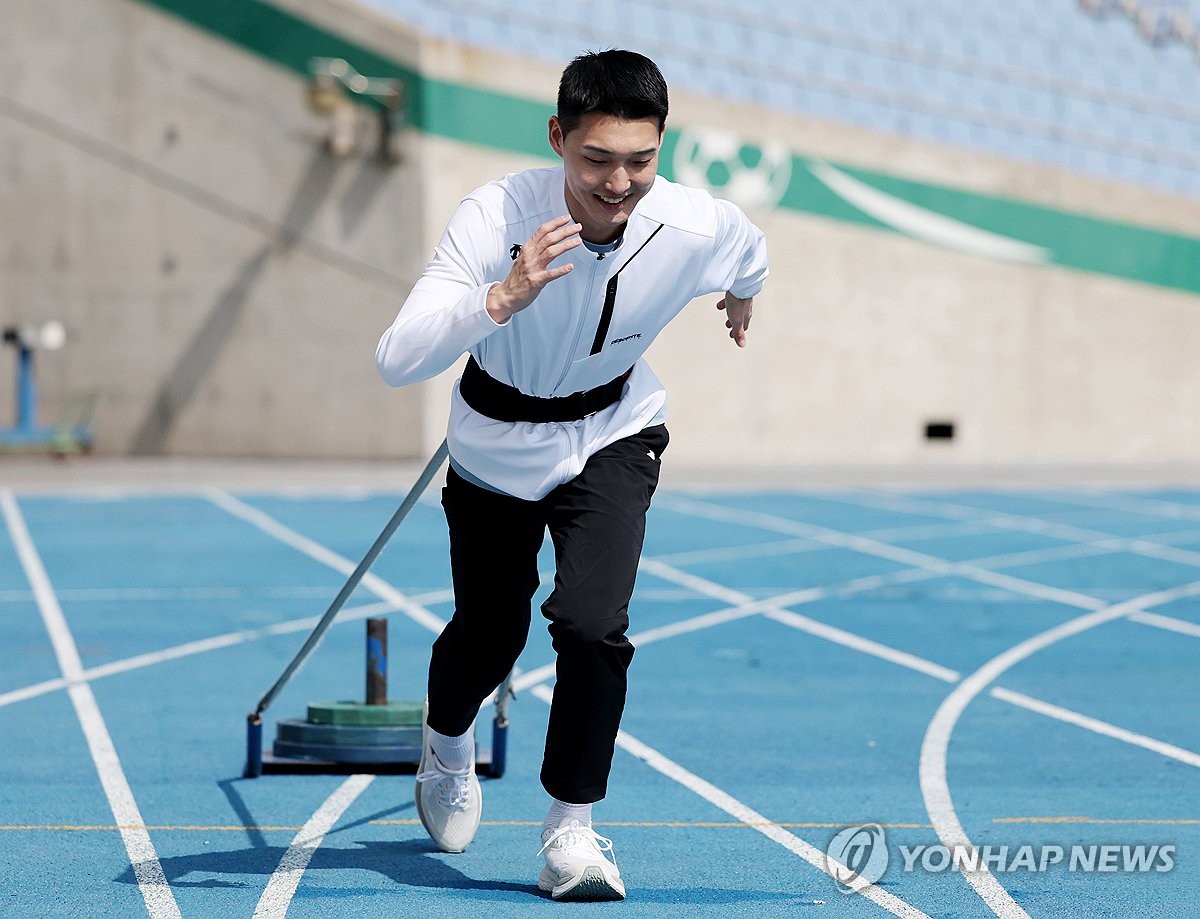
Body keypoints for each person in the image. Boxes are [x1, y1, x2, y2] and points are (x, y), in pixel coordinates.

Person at [375, 49, 768, 901]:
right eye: (596, 159)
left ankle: (571, 833)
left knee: (593, 625)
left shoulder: (694, 223)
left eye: (640, 159)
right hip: (495, 439)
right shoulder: (494, 214)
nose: (618, 182)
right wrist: (500, 298)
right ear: (558, 138)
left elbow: (749, 250)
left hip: (614, 429)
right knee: (490, 633)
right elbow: (396, 357)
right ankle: (446, 744)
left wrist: (743, 295)